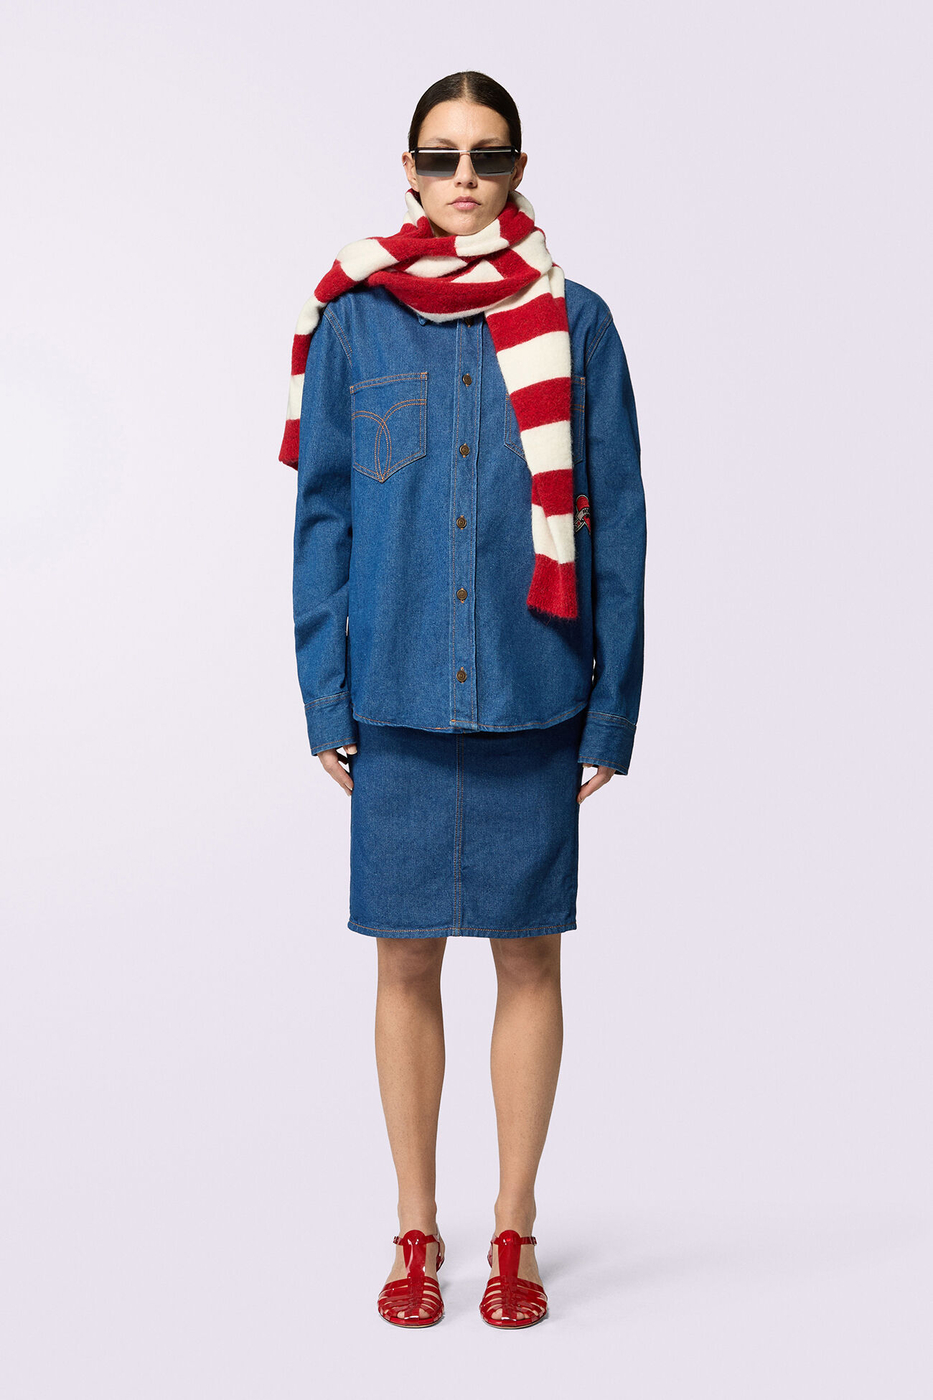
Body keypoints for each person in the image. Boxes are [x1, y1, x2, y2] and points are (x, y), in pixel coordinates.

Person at [280, 70, 647, 1329]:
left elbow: (618, 524)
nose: (465, 179)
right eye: (441, 157)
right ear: (409, 170)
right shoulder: (354, 322)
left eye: (487, 157)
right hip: (391, 692)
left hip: (532, 692)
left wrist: (611, 708)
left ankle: (514, 1226)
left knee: (529, 957)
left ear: (517, 168)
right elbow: (323, 518)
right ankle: (414, 1226)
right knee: (404, 961)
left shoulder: (577, 322)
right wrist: (323, 691)